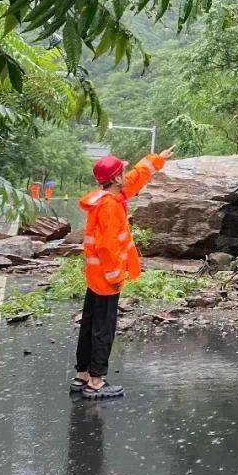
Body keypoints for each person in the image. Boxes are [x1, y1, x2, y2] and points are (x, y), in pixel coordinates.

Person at [71, 147, 174, 399]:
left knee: (89, 323)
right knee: (103, 328)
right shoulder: (110, 207)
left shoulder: (106, 196)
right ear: (115, 179)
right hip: (107, 276)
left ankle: (82, 374)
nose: (126, 174)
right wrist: (116, 276)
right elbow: (108, 247)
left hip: (96, 275)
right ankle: (96, 381)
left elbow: (136, 177)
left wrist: (156, 159)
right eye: (122, 172)